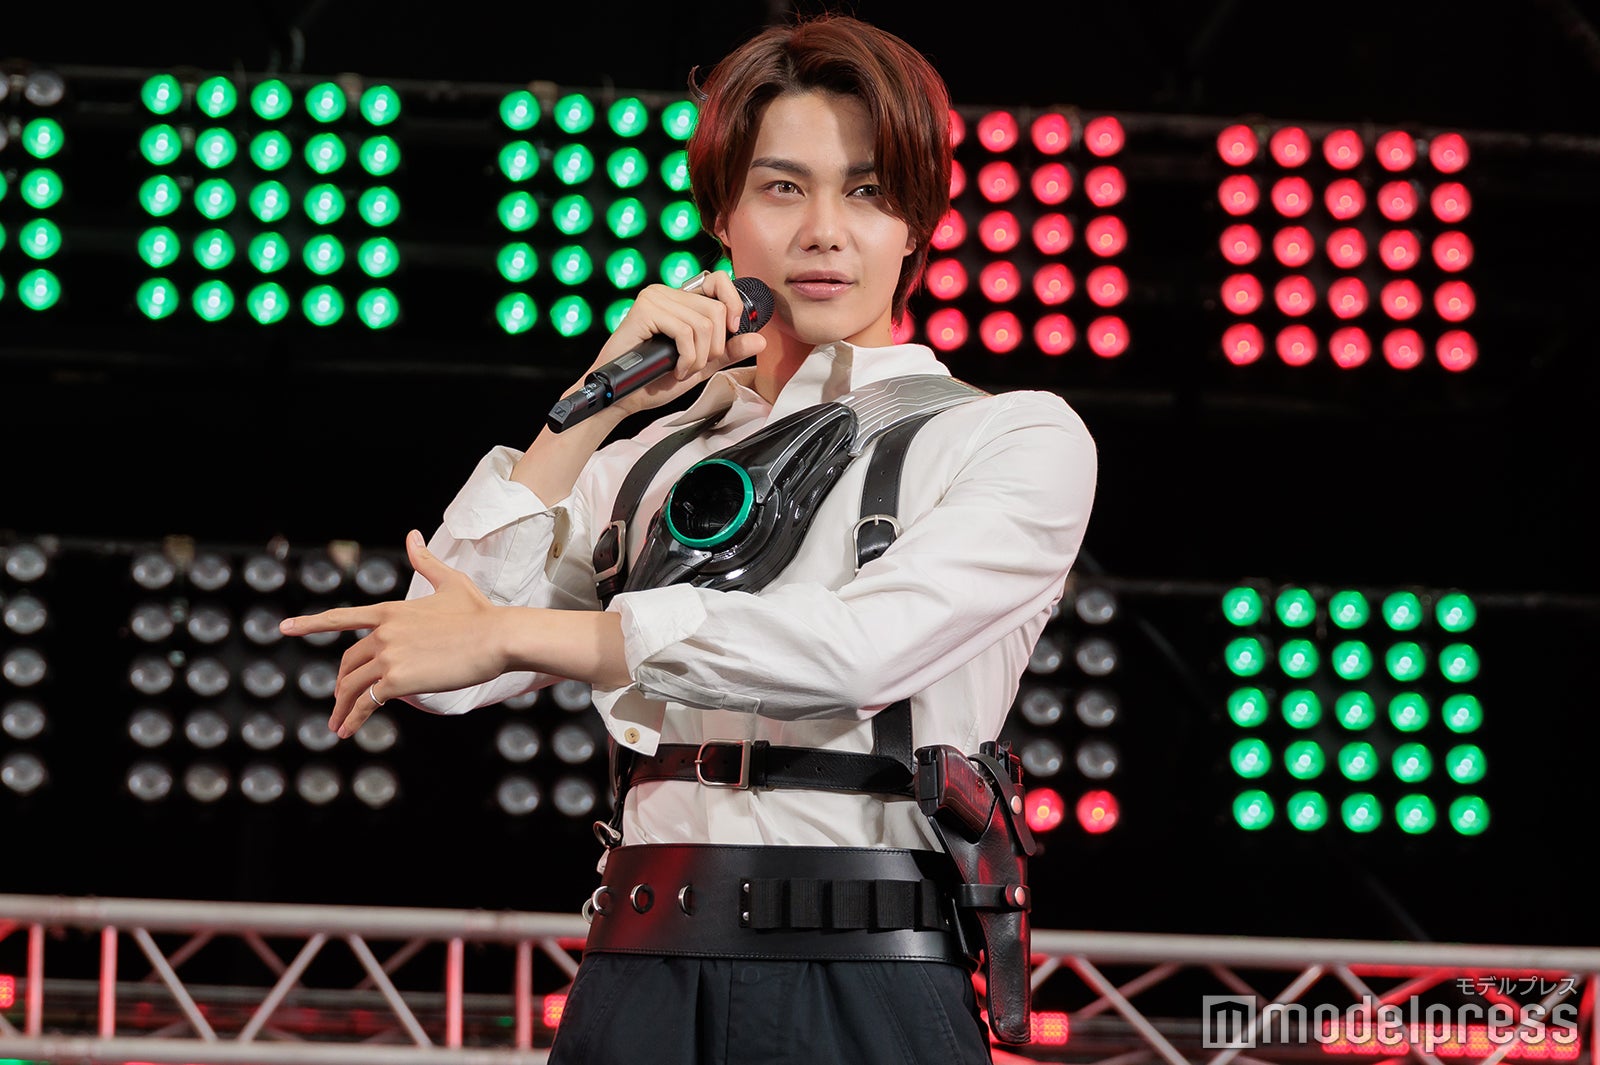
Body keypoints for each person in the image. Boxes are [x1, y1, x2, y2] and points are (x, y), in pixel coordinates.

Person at [280, 11, 1096, 1063]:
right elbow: (448, 661)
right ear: (723, 217)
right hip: (638, 966)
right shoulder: (650, 456)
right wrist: (591, 407)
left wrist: (520, 636)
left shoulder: (1010, 436)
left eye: (866, 191)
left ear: (916, 222)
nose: (824, 231)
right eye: (782, 187)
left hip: (866, 972)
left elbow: (853, 654)